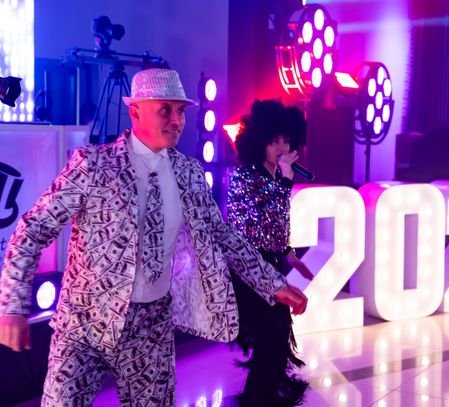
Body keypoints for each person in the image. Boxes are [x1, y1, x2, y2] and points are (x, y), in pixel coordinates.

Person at [0, 69, 308, 406]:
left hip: (150, 326)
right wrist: (12, 306)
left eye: (181, 111)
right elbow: (32, 230)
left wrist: (271, 283)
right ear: (135, 112)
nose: (177, 120)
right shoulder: (93, 165)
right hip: (85, 324)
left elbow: (223, 234)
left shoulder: (188, 172)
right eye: (165, 110)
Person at [227, 99, 314, 407]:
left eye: (286, 141)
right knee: (269, 338)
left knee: (277, 339)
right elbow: (255, 224)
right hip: (249, 272)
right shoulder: (244, 178)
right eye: (274, 141)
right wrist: (287, 180)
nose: (281, 147)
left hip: (272, 267)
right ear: (259, 142)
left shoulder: (275, 178)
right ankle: (257, 400)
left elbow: (274, 227)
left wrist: (290, 254)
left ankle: (261, 398)